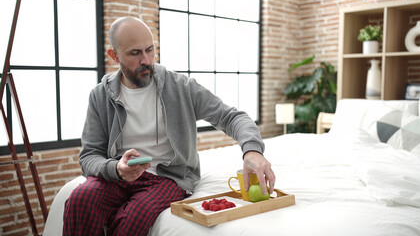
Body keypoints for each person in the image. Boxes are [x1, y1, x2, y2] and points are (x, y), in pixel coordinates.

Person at [63, 16, 275, 236]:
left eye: (150, 50)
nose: (146, 60)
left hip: (167, 178)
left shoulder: (181, 87)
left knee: (133, 218)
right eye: (135, 53)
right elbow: (89, 157)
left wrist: (252, 150)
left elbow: (232, 117)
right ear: (114, 56)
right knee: (80, 200)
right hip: (117, 176)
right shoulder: (100, 95)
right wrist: (116, 169)